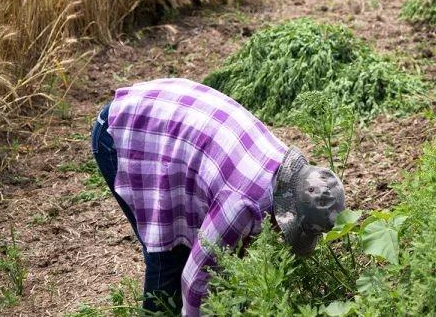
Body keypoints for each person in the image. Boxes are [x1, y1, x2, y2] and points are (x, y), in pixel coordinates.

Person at [90, 78, 345, 315]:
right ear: (286, 211)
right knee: (168, 257)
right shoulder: (246, 203)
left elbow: (225, 256)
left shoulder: (284, 172)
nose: (284, 237)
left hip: (168, 117)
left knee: (199, 251)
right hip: (126, 130)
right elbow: (195, 278)